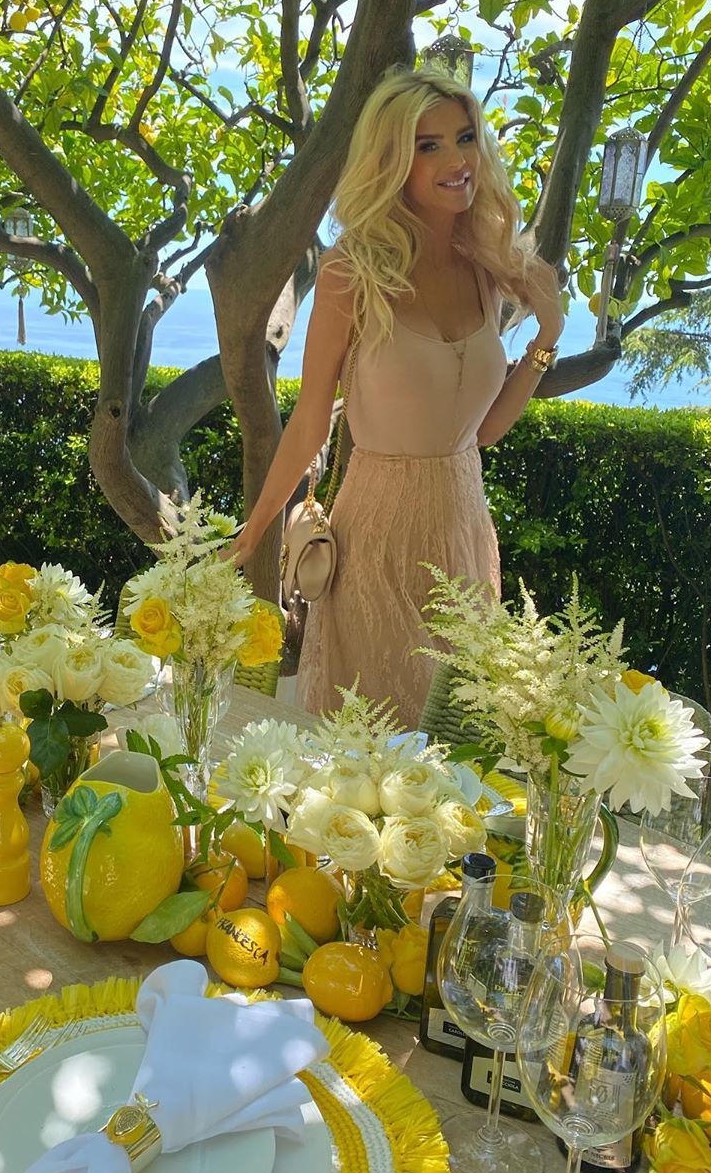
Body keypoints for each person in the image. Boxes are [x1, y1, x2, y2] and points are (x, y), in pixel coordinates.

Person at [227, 65, 565, 727]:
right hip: (377, 537)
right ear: (392, 161)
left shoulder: (489, 267)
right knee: (372, 741)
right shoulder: (351, 270)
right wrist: (256, 529)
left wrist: (545, 338)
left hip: (464, 530)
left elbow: (482, 431)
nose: (457, 160)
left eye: (464, 138)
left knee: (455, 745)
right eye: (428, 145)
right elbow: (310, 420)